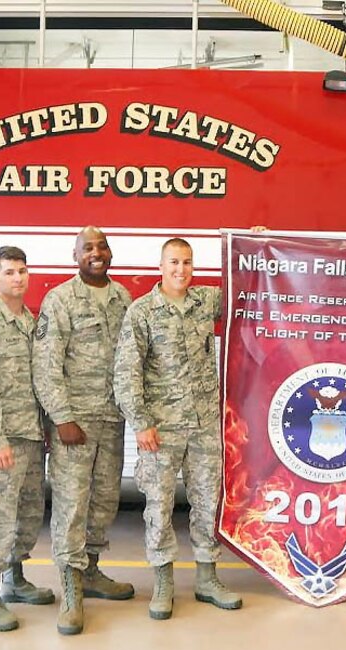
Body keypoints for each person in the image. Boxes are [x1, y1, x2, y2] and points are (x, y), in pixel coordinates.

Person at [114, 237, 242, 620]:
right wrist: (141, 423)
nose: (180, 270)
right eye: (173, 262)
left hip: (204, 426)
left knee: (207, 503)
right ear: (160, 265)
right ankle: (164, 583)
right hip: (161, 431)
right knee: (159, 506)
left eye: (187, 263)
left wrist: (257, 242)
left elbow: (250, 282)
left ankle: (207, 577)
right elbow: (126, 372)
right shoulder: (142, 312)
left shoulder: (205, 302)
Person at [33, 226, 133, 635]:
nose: (96, 253)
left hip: (111, 419)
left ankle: (91, 570)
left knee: (105, 500)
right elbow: (46, 364)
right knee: (72, 505)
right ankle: (71, 590)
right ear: (75, 255)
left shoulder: (122, 298)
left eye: (102, 246)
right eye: (88, 247)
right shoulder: (59, 300)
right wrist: (61, 417)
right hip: (75, 422)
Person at [0, 246, 54, 632]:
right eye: (9, 272)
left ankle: (14, 579)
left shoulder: (32, 321)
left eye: (22, 271)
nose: (17, 278)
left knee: (28, 514)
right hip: (3, 441)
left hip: (31, 435)